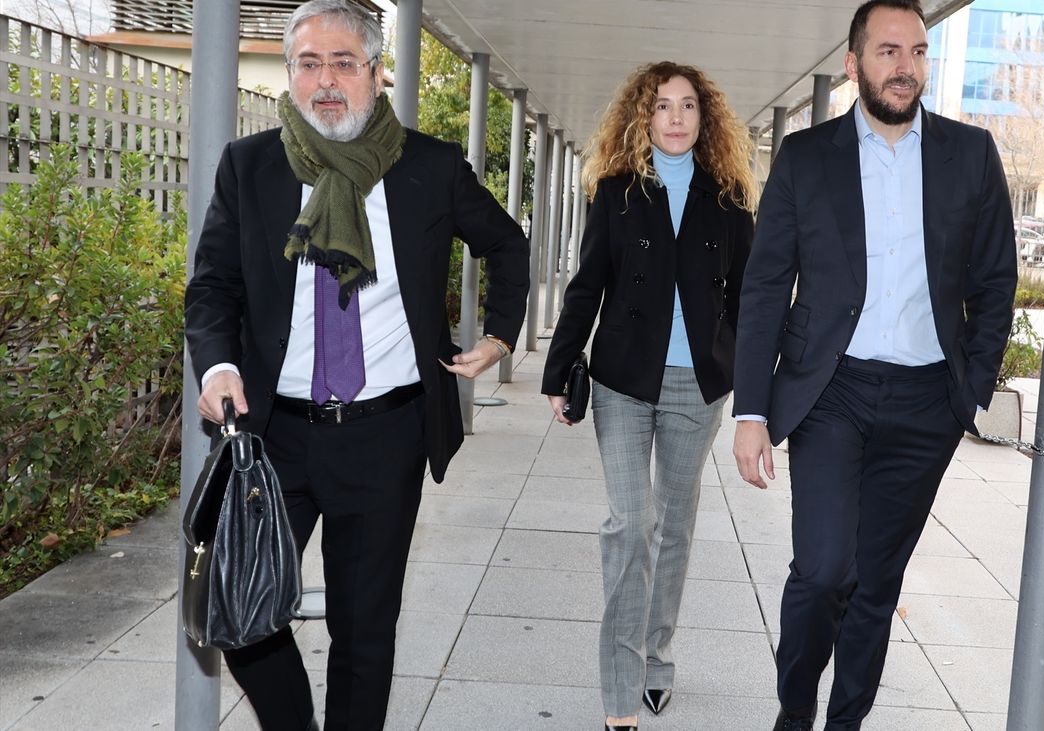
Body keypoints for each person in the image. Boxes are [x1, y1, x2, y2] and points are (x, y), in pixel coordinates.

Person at [184, 1, 529, 727]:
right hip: (272, 434)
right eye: (309, 64)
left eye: (344, 63)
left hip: (386, 434)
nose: (327, 81)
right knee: (241, 615)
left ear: (376, 73)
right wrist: (216, 367)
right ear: (291, 74)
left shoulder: (428, 168)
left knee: (364, 632)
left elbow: (506, 242)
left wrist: (498, 334)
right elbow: (212, 285)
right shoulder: (251, 168)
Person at [731, 2, 1018, 729]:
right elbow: (766, 285)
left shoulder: (971, 154)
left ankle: (844, 721)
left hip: (927, 405)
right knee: (825, 570)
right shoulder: (806, 156)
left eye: (918, 52)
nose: (905, 67)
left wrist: (971, 391)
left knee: (875, 584)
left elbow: (994, 280)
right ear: (854, 62)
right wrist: (752, 409)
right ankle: (795, 707)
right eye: (889, 51)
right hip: (832, 391)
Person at [541, 61, 757, 731]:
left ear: (705, 118)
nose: (675, 116)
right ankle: (620, 687)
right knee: (629, 525)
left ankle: (658, 653)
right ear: (643, 115)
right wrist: (556, 368)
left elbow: (747, 298)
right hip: (623, 383)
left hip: (700, 387)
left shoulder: (727, 200)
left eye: (688, 105)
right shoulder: (615, 192)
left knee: (673, 527)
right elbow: (587, 285)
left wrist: (753, 387)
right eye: (662, 105)